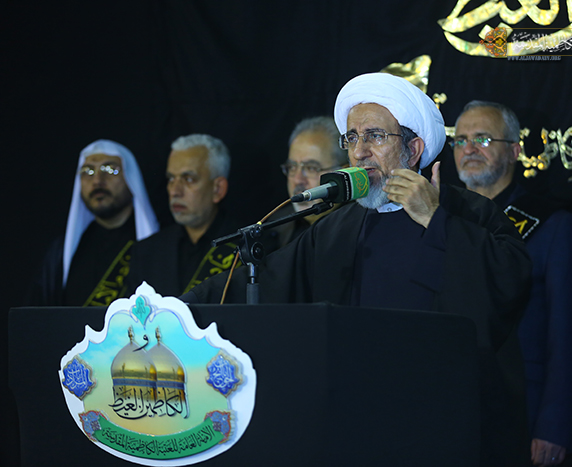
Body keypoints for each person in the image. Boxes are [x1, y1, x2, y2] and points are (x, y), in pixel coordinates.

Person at [183, 72, 533, 465]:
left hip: (443, 422)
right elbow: (270, 278)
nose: (360, 152)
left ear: (413, 148)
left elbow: (508, 283)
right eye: (351, 138)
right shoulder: (339, 226)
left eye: (375, 136)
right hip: (358, 419)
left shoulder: (468, 211)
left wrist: (435, 219)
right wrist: (181, 306)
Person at [453, 101, 572, 466]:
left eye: (483, 139)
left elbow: (567, 336)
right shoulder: (442, 219)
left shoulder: (554, 226)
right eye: (460, 140)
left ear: (514, 150)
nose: (469, 148)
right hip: (451, 407)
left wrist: (555, 424)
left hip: (521, 409)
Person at [27, 139, 159, 306]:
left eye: (110, 169)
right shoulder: (61, 252)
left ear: (131, 178)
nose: (97, 180)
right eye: (87, 171)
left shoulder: (157, 244)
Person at [126, 134, 241, 297]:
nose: (175, 191)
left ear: (218, 189)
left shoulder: (247, 246)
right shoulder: (147, 252)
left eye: (188, 179)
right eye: (171, 179)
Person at [271, 116, 348, 247]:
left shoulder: (359, 227)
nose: (297, 180)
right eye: (292, 167)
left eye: (311, 168)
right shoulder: (276, 225)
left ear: (343, 173)